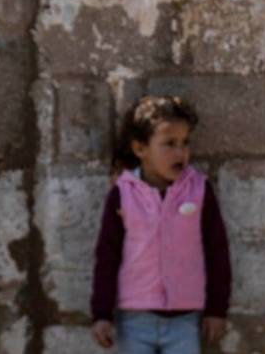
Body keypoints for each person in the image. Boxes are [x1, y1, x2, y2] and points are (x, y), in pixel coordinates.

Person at [89, 96, 233, 353]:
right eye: (169, 143)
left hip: (185, 321)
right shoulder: (123, 194)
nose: (180, 152)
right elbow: (107, 256)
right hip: (134, 319)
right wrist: (102, 314)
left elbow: (217, 252)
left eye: (185, 143)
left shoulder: (199, 190)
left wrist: (216, 309)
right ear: (140, 148)